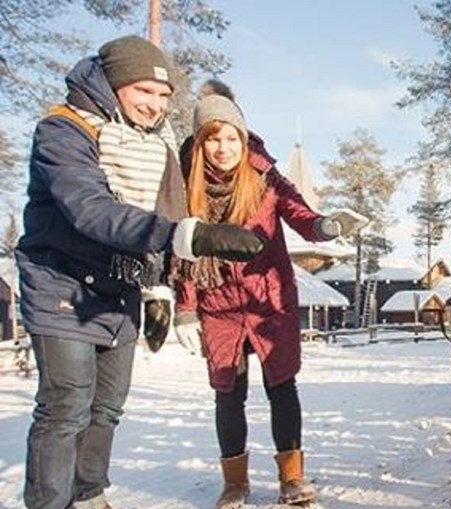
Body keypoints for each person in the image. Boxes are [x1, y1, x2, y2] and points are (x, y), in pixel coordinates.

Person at [16, 36, 267, 509]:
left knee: (107, 407)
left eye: (163, 95)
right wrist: (183, 236)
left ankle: (89, 495)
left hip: (121, 285)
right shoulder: (65, 130)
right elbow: (91, 210)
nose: (154, 105)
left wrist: (159, 286)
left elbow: (160, 202)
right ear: (113, 85)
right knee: (66, 406)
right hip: (62, 284)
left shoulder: (157, 144)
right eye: (143, 91)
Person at [173, 88, 364, 508]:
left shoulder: (265, 177)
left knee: (282, 387)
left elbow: (301, 214)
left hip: (269, 302)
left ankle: (291, 480)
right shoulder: (185, 186)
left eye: (231, 138)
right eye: (213, 138)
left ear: (244, 139)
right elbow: (183, 252)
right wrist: (186, 308)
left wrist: (327, 227)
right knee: (228, 394)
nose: (223, 149)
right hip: (217, 304)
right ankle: (235, 483)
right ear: (200, 141)